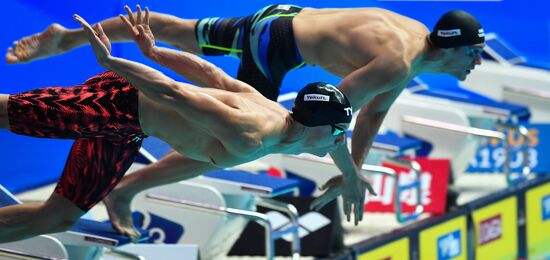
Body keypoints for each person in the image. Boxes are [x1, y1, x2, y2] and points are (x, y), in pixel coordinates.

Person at [6, 4, 485, 228]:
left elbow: (350, 123)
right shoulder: (395, 65)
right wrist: (116, 64)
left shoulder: (414, 41)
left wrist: (352, 176)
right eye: (475, 55)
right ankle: (129, 187)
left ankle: (64, 38)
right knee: (225, 145)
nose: (477, 64)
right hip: (275, 50)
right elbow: (334, 108)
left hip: (278, 19)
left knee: (178, 32)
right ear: (455, 49)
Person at [0, 14, 353, 243]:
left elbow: (211, 75)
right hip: (115, 102)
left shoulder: (301, 130)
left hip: (129, 131)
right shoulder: (252, 132)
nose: (342, 139)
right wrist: (113, 62)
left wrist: (156, 52)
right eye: (339, 131)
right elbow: (173, 92)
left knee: (57, 218)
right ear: (319, 126)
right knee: (5, 113)